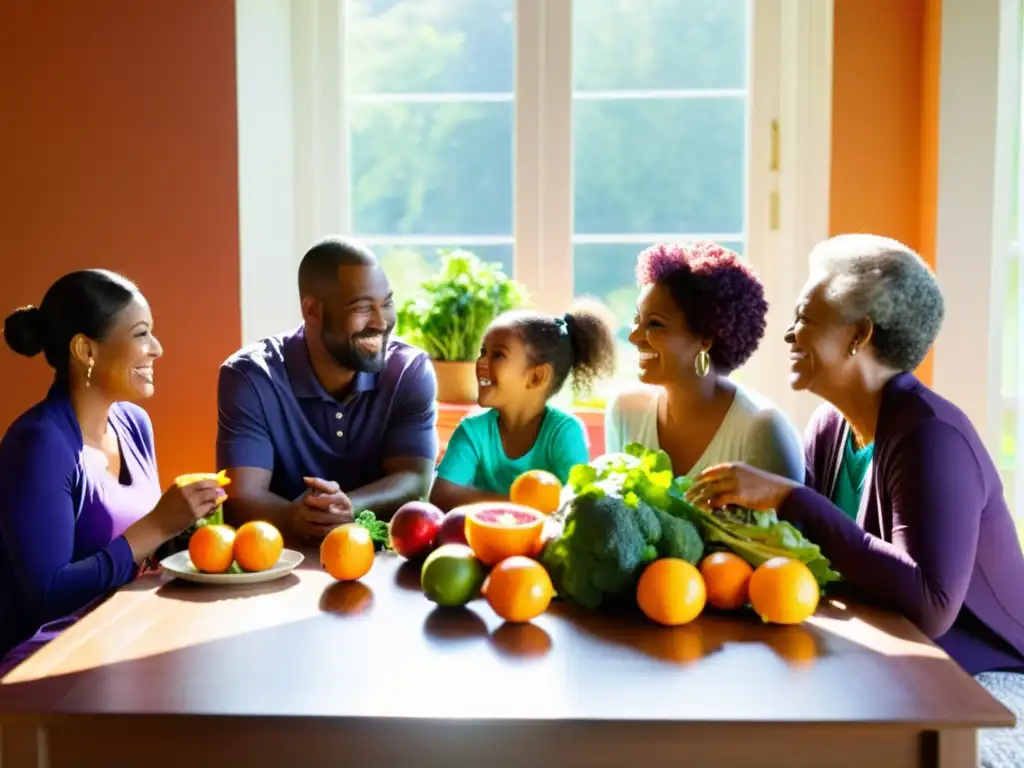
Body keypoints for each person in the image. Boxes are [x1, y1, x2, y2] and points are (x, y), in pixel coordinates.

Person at [685, 234, 1024, 767]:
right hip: (895, 660)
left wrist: (791, 498)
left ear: (858, 335)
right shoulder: (831, 426)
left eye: (805, 318)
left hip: (987, 684)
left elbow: (930, 606)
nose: (790, 335)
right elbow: (818, 558)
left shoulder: (931, 436)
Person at [0, 270, 225, 672]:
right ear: (86, 350)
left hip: (122, 635)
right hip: (46, 663)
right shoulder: (38, 445)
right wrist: (158, 525)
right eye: (141, 334)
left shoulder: (134, 425)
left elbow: (139, 556)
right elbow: (46, 596)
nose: (156, 348)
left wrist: (186, 524)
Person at [217, 236, 438, 542]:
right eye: (362, 308)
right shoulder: (250, 376)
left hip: (380, 558)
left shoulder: (409, 372)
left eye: (386, 304)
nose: (381, 322)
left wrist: (348, 507)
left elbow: (415, 479)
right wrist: (294, 517)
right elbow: (241, 496)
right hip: (277, 557)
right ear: (312, 310)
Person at [605, 240, 804, 482]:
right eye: (638, 319)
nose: (634, 336)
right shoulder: (625, 413)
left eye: (654, 324)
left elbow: (790, 518)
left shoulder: (762, 430)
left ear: (705, 338)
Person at [429, 300, 617, 511]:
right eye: (483, 352)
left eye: (498, 355)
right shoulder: (472, 431)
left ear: (536, 376)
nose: (481, 362)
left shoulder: (564, 431)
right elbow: (442, 495)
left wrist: (507, 509)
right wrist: (524, 509)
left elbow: (577, 501)